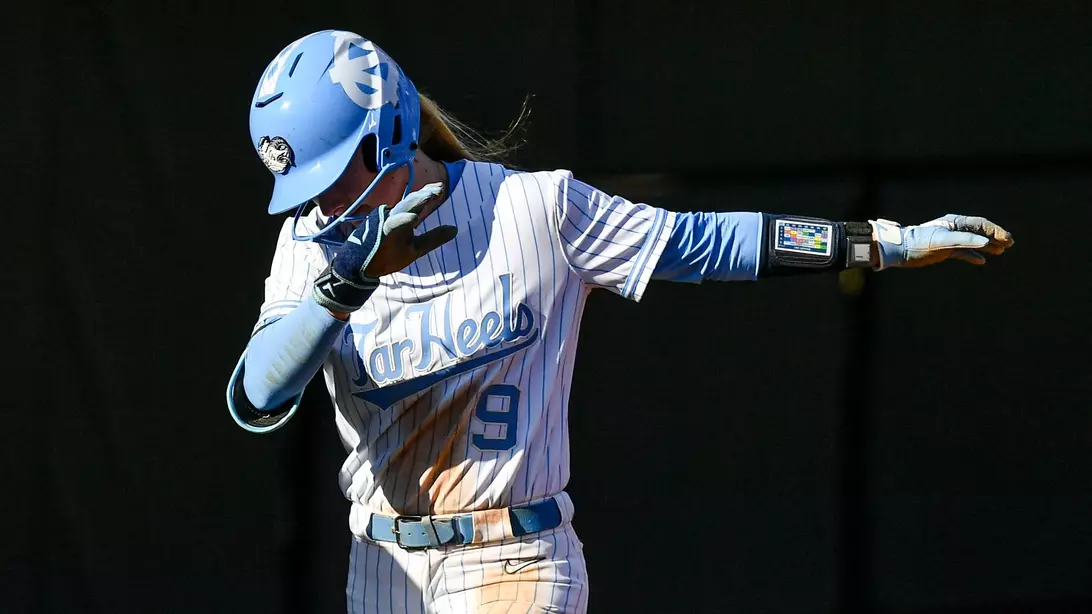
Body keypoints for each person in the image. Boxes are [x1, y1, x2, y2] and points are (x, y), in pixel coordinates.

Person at [226, 29, 1014, 614]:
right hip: (384, 568)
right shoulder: (311, 248)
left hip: (513, 555)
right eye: (305, 191)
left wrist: (879, 242)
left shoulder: (533, 209)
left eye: (332, 179)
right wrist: (341, 285)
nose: (319, 205)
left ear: (387, 132)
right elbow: (256, 396)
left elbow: (700, 243)